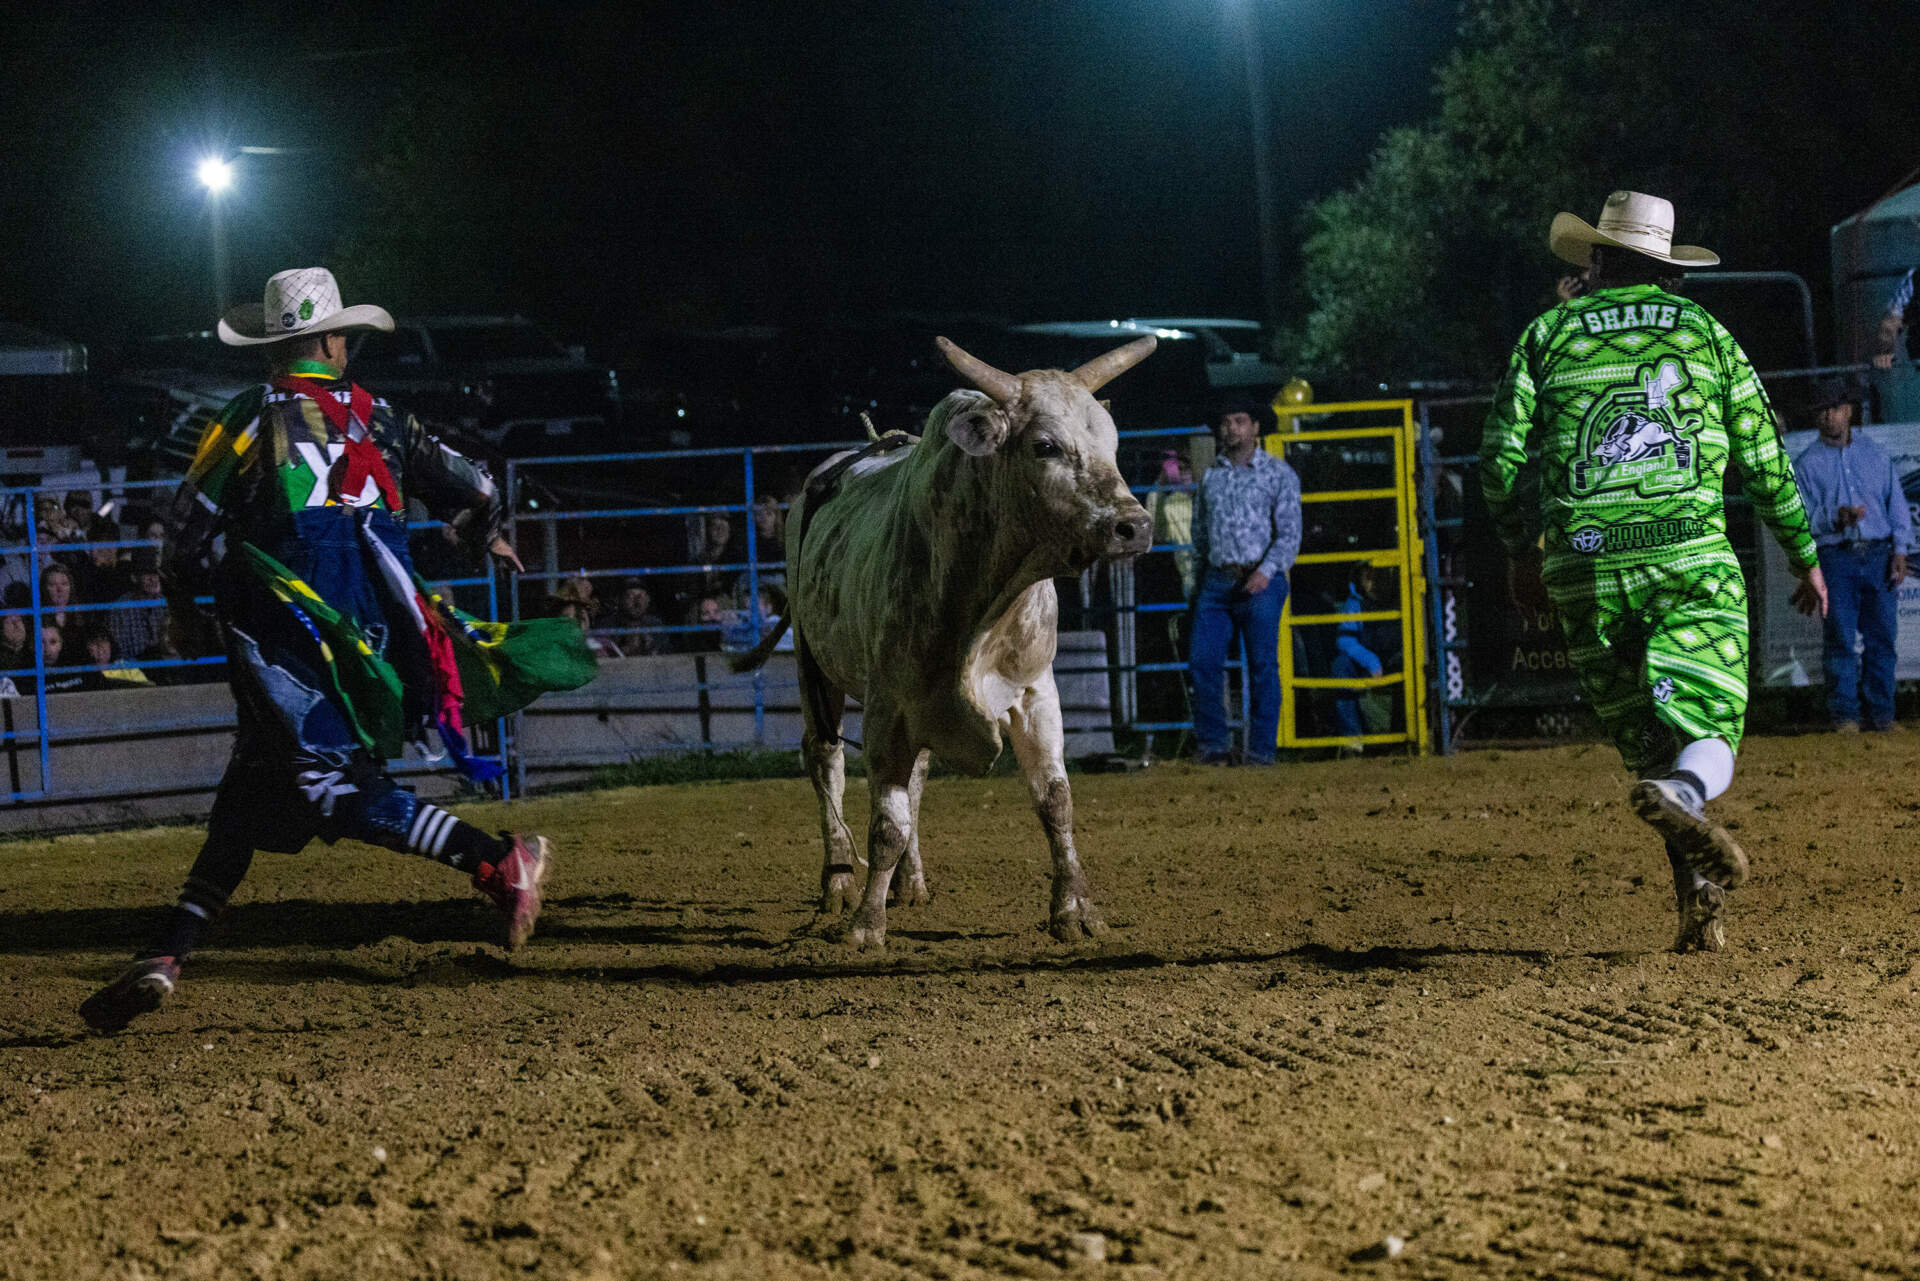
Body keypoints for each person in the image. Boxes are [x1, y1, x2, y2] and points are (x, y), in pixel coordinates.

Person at [81, 267, 594, 1033]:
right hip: (377, 640)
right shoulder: (384, 419)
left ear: (279, 347)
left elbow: (187, 528)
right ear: (331, 341)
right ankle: (167, 952)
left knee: (327, 786)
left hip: (287, 639)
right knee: (249, 792)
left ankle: (498, 858)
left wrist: (185, 609)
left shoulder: (250, 418)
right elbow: (481, 487)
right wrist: (475, 537)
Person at [1482, 190, 1827, 954]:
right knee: (1704, 728)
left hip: (1584, 565)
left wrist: (1519, 550)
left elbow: (1500, 459)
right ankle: (1689, 790)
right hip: (1685, 557)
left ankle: (1695, 898)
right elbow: (1765, 459)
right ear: (1666, 268)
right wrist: (1803, 552)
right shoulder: (1705, 331)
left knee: (1644, 740)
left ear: (1599, 258)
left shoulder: (1547, 334)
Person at [1791, 375, 1911, 732]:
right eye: (1822, 411)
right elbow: (1801, 518)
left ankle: (1881, 716)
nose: (1829, 416)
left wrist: (1900, 550)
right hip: (1835, 557)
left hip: (1877, 553)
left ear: (1848, 410)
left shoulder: (1874, 454)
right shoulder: (1807, 464)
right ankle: (1846, 715)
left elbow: (1896, 505)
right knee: (1841, 637)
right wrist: (1834, 518)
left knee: (1881, 639)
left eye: (1834, 408)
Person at [1188, 401, 1302, 766]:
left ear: (1255, 428)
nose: (1231, 428)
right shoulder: (1212, 477)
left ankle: (1260, 750)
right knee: (1204, 661)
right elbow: (1200, 534)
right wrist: (1199, 578)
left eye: (1239, 421)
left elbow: (1289, 534)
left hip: (1260, 578)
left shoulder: (1278, 474)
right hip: (1219, 577)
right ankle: (1214, 746)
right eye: (1226, 422)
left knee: (1263, 665)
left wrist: (1265, 572)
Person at [1330, 563, 1399, 752]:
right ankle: (1352, 739)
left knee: (1410, 667)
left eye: (1380, 573)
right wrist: (1370, 660)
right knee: (1341, 666)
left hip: (1395, 658)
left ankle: (1399, 737)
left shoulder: (1403, 599)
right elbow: (1344, 641)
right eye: (1368, 574)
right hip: (1366, 661)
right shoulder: (1355, 603)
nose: (1373, 580)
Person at [109, 552, 167, 666]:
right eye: (147, 575)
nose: (153, 579)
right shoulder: (119, 609)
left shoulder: (166, 604)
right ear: (134, 578)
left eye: (155, 574)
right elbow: (119, 653)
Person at [609, 577, 666, 656]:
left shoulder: (656, 625)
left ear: (648, 600)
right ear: (620, 600)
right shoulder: (608, 626)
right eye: (630, 596)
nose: (637, 601)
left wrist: (651, 647)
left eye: (641, 596)